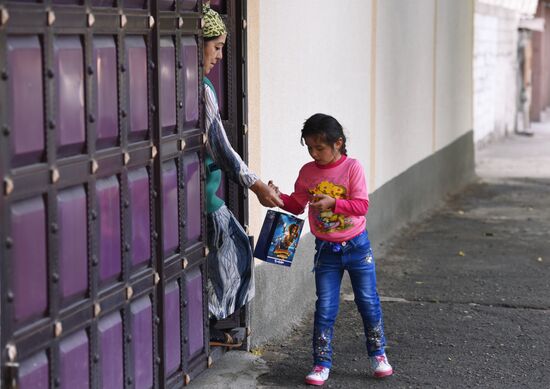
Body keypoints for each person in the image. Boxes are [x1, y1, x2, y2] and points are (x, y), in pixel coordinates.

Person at [269, 113, 393, 385]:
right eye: (310, 148)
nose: (314, 153)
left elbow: (362, 206)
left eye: (320, 148)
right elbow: (296, 205)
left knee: (368, 302)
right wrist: (277, 198)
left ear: (338, 143)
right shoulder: (307, 172)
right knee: (325, 306)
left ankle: (378, 354)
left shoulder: (352, 168)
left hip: (357, 246)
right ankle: (321, 362)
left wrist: (333, 204)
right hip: (326, 250)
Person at [202, 2, 283, 345]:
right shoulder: (201, 89)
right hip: (204, 197)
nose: (220, 56)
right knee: (234, 250)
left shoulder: (195, 84)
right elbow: (219, 146)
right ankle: (210, 325)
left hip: (201, 192)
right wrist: (256, 185)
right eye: (216, 47)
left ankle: (210, 324)